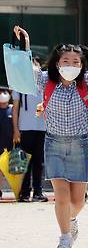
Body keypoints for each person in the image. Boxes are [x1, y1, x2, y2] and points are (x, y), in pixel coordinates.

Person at [15, 25, 88, 248]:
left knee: (78, 201)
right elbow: (26, 68)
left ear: (82, 65)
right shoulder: (45, 80)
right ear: (57, 63)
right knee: (61, 196)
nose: (71, 65)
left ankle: (71, 221)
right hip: (53, 143)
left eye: (76, 62)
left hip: (81, 144)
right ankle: (65, 237)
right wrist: (25, 42)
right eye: (66, 61)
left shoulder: (86, 81)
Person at [12, 58, 48, 202]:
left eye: (36, 65)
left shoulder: (44, 84)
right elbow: (15, 109)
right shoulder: (19, 85)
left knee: (39, 162)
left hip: (42, 128)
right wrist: (16, 129)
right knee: (24, 162)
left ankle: (38, 191)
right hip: (25, 128)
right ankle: (25, 192)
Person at [0, 86, 13, 199]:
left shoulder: (13, 109)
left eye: (5, 92)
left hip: (11, 145)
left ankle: (19, 191)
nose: (3, 94)